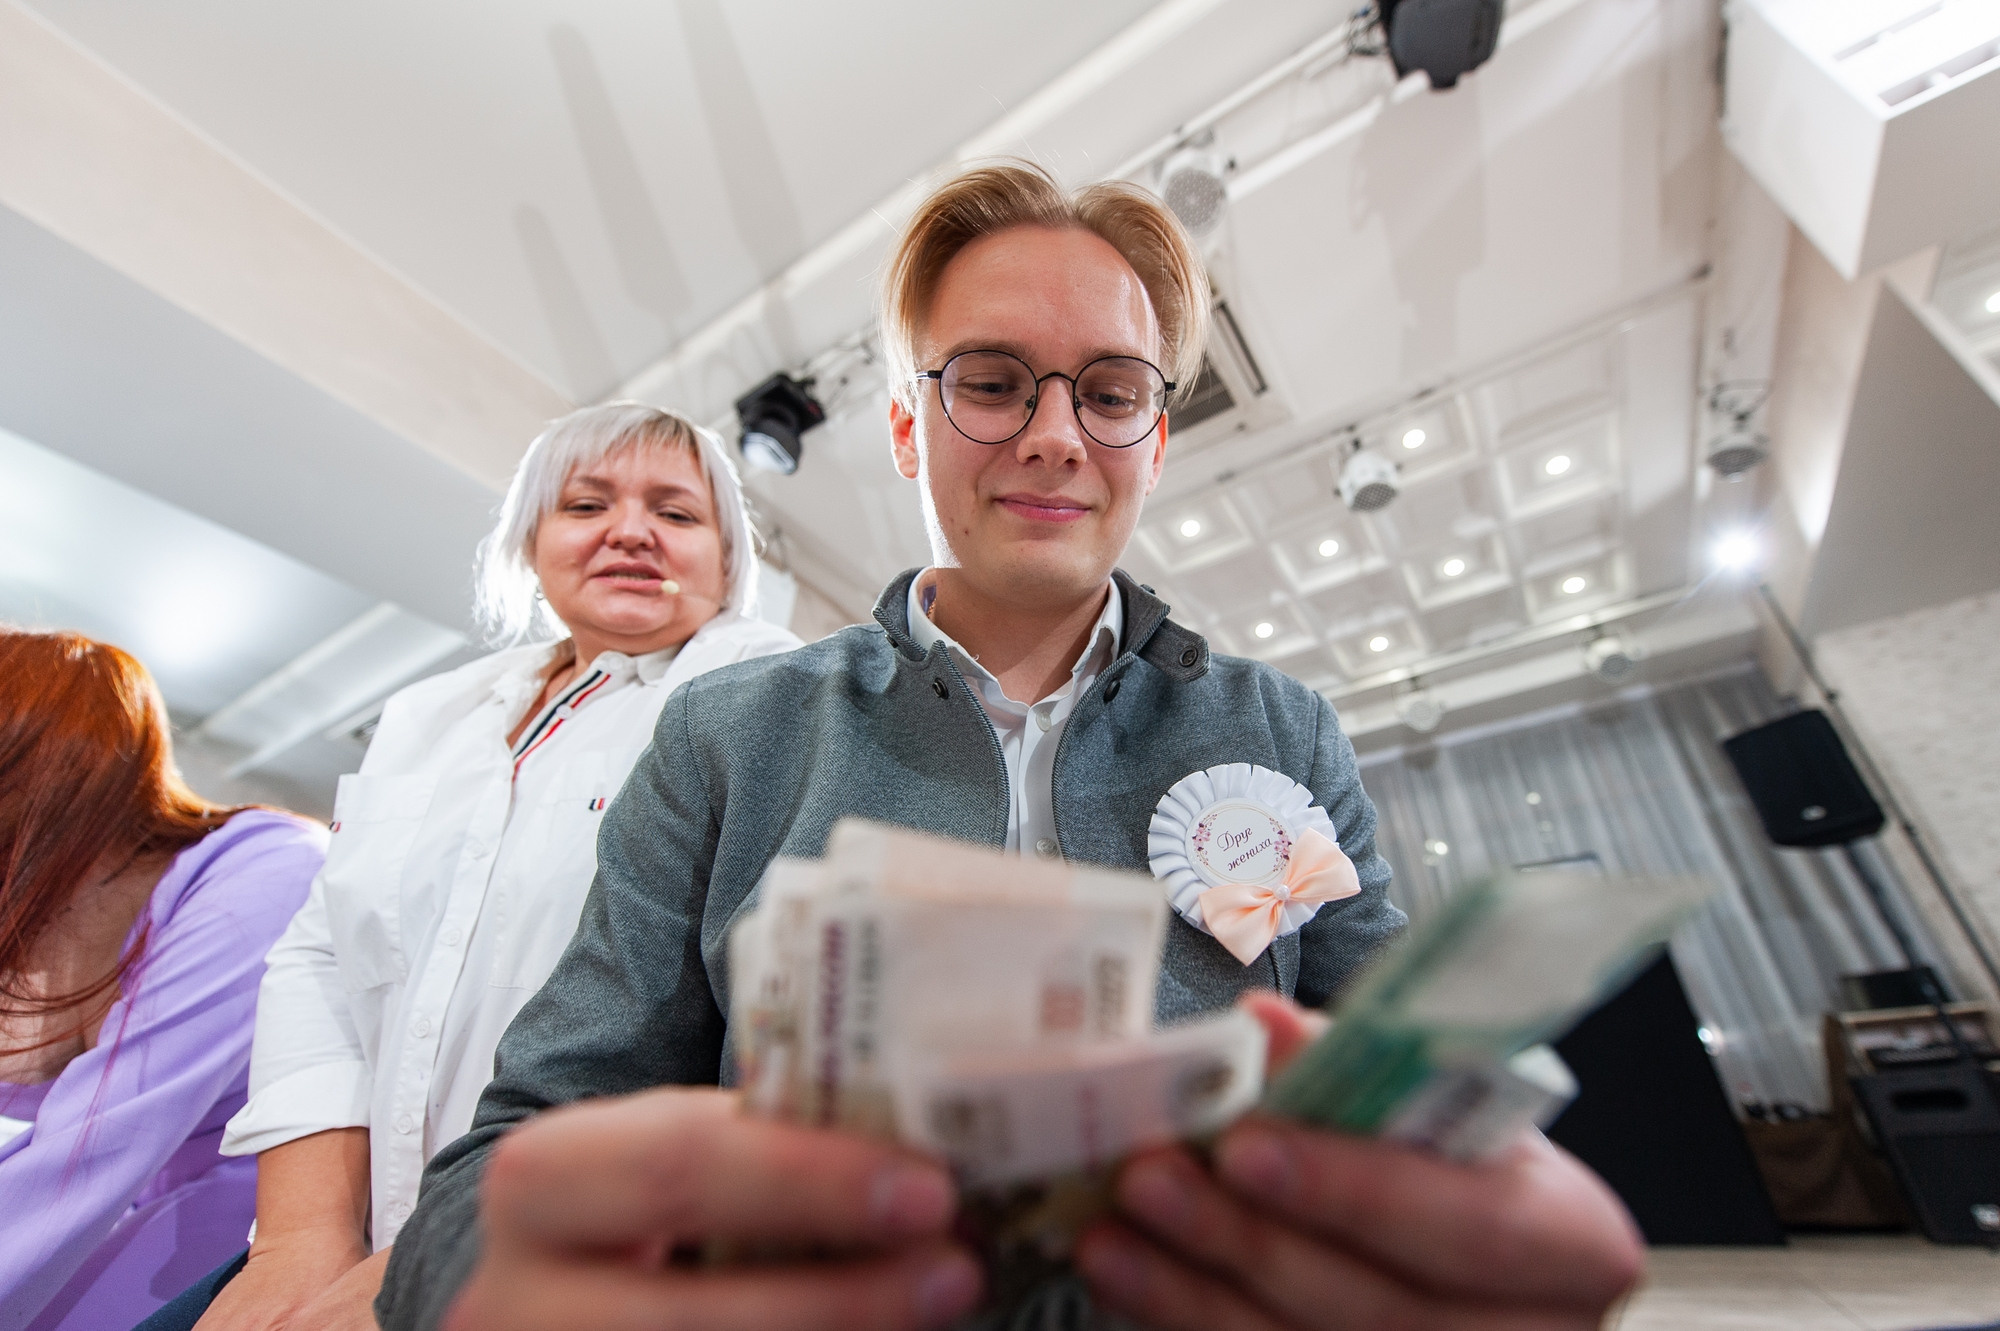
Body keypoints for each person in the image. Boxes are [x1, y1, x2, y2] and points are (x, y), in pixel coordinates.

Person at [375, 163, 1645, 1331]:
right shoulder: (729, 732)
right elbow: (520, 1140)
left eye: (1107, 391)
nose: (1053, 435)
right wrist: (477, 1280)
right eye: (989, 381)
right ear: (903, 427)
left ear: (1152, 437)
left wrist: (1460, 1198)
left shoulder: (1279, 729)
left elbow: (1390, 1072)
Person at [184, 405, 802, 1331]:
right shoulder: (428, 715)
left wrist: (440, 1247)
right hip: (348, 1230)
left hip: (574, 1250)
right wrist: (298, 1241)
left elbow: (701, 1019)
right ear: (531, 539)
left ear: (728, 561)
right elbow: (319, 962)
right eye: (587, 503)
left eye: (676, 514)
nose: (630, 530)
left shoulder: (764, 698)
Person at [0, 630, 325, 1331]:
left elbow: (93, 1149)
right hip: (165, 1224)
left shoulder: (265, 871)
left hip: (269, 1228)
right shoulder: (54, 925)